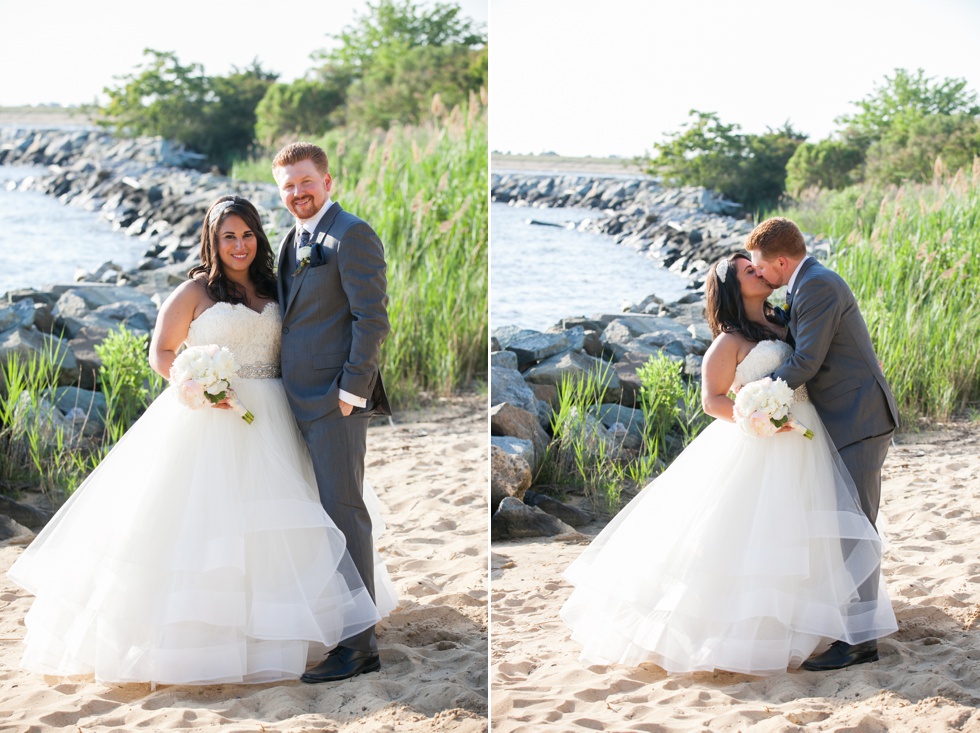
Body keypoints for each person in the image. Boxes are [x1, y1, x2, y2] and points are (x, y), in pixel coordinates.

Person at [7, 195, 396, 685]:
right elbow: (163, 353)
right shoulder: (194, 291)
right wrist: (196, 385)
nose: (240, 245)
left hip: (276, 413)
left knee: (285, 522)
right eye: (228, 236)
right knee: (210, 529)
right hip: (211, 420)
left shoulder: (274, 286)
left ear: (259, 236)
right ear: (213, 242)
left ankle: (308, 630)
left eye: (248, 234)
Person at [560, 252, 897, 676]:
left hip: (810, 436)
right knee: (754, 533)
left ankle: (816, 622)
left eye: (755, 265)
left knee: (809, 530)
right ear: (733, 288)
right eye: (747, 270)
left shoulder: (784, 321)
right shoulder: (728, 341)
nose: (758, 270)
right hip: (764, 441)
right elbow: (712, 400)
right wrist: (756, 414)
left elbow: (819, 357)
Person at [747, 217, 899, 671]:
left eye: (759, 266)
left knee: (855, 529)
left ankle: (860, 640)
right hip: (845, 418)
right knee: (845, 525)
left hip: (859, 418)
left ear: (780, 260)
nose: (758, 275)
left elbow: (807, 361)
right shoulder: (805, 286)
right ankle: (852, 626)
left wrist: (757, 394)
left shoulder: (817, 285)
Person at [271, 142, 391, 683]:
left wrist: (351, 390)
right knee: (320, 516)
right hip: (294, 400)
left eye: (305, 182)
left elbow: (372, 319)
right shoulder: (290, 240)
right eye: (287, 186)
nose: (297, 192)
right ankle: (340, 623)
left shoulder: (352, 234)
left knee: (345, 514)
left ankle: (360, 646)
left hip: (335, 403)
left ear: (328, 182)